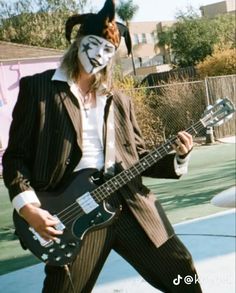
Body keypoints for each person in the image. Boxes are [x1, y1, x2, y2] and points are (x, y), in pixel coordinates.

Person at [2, 0, 202, 292]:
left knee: (183, 274)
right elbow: (16, 157)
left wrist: (179, 156)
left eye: (108, 50)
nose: (99, 54)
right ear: (78, 42)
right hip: (72, 213)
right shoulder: (38, 89)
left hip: (130, 207)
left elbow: (139, 157)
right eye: (93, 44)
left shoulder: (119, 100)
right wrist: (28, 208)